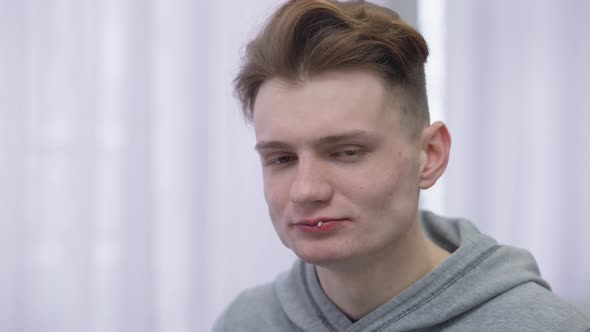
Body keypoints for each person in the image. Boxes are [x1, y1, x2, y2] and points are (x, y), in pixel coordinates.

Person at [214, 0, 590, 331]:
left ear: (430, 155)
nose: (306, 189)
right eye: (281, 158)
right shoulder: (245, 321)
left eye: (347, 152)